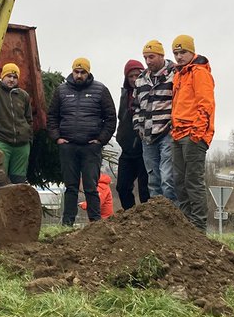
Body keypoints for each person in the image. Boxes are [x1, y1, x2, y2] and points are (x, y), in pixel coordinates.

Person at [47, 57, 116, 226]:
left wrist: (101, 140)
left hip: (90, 147)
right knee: (70, 187)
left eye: (82, 72)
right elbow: (52, 116)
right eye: (76, 72)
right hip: (68, 146)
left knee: (91, 187)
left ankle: (96, 223)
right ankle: (67, 223)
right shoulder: (61, 90)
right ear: (72, 71)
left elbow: (111, 117)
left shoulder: (100, 90)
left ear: (88, 72)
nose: (79, 75)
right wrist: (57, 138)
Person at [170, 34, 215, 231]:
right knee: (179, 181)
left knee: (193, 181)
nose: (179, 57)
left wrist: (197, 132)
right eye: (176, 53)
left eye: (183, 52)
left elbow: (206, 104)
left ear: (192, 52)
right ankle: (186, 225)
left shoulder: (199, 73)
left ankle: (197, 226)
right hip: (178, 134)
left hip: (194, 135)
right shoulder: (179, 74)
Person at [133, 40, 177, 201]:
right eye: (145, 58)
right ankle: (158, 220)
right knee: (153, 180)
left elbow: (179, 102)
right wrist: (137, 126)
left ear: (161, 55)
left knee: (168, 178)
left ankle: (174, 216)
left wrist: (173, 125)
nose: (148, 61)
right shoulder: (141, 79)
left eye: (151, 57)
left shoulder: (175, 74)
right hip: (147, 136)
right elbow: (136, 106)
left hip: (167, 133)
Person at [0, 62, 33, 183]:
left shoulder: (23, 95)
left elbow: (28, 119)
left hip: (22, 146)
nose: (12, 80)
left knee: (18, 182)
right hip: (1, 143)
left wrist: (29, 138)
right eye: (9, 76)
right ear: (2, 76)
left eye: (15, 77)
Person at [115, 59, 150, 209]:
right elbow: (120, 118)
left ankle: (147, 221)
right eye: (131, 76)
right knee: (122, 187)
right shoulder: (124, 95)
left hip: (144, 148)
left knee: (145, 190)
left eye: (137, 75)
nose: (134, 79)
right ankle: (130, 217)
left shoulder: (149, 91)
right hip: (127, 149)